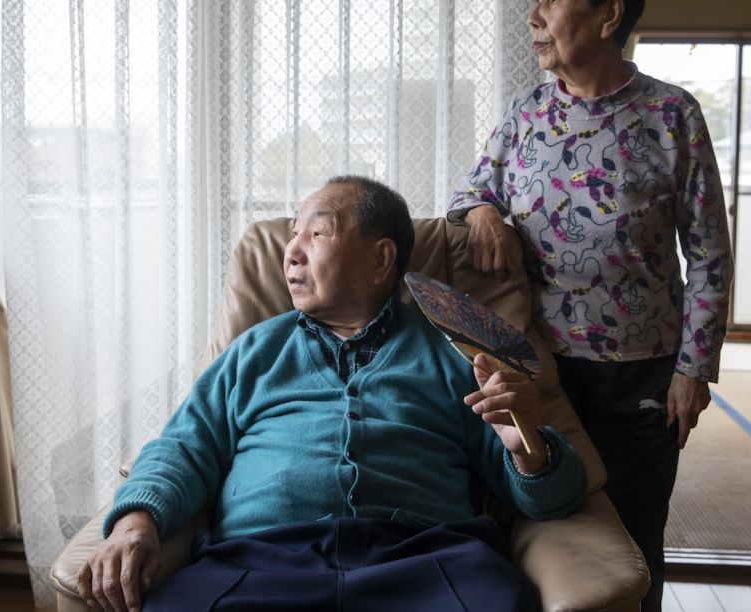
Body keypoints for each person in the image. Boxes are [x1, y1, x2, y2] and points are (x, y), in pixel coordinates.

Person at [78, 176, 586, 612]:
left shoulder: (457, 353)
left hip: (425, 562)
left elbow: (551, 500)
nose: (291, 252)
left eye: (316, 233)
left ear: (380, 259)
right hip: (258, 563)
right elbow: (183, 448)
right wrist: (134, 522)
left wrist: (529, 450)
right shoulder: (255, 349)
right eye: (293, 234)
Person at [447, 0, 733, 612]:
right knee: (532, 523)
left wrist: (695, 369)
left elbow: (710, 251)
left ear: (609, 14)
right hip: (535, 368)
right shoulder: (524, 111)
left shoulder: (671, 114)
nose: (534, 16)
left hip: (641, 374)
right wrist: (483, 213)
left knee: (631, 544)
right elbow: (468, 191)